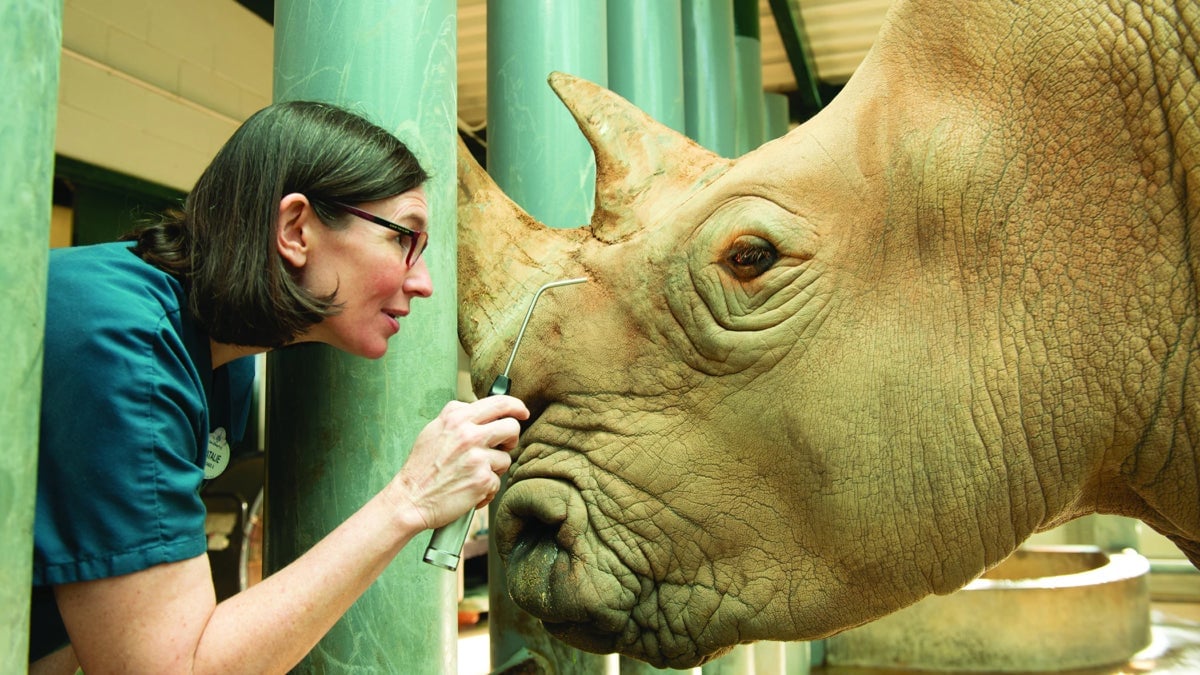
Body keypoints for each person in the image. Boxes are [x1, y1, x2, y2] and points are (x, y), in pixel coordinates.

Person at [29, 100, 529, 674]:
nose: (424, 283)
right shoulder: (128, 348)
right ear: (296, 229)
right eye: (403, 239)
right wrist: (411, 497)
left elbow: (83, 613)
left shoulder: (223, 361)